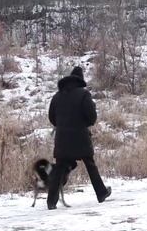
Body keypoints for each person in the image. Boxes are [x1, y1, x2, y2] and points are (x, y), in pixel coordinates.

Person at [47, 66, 111, 210]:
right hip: (80, 136)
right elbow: (92, 117)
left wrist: (62, 126)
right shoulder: (84, 94)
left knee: (59, 168)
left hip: (62, 138)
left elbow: (51, 117)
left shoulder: (57, 97)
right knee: (90, 164)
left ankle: (51, 201)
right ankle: (101, 193)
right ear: (80, 80)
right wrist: (83, 124)